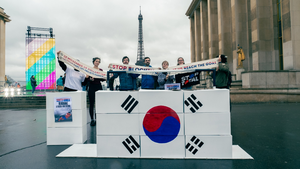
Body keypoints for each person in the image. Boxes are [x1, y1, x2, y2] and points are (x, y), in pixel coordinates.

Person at [86, 57, 106, 126]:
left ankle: (97, 119)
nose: (97, 62)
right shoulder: (89, 69)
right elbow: (86, 79)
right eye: (96, 61)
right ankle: (92, 119)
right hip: (91, 87)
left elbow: (101, 79)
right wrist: (90, 79)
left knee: (99, 104)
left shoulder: (100, 70)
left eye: (98, 61)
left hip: (98, 87)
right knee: (91, 104)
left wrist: (105, 78)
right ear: (93, 62)